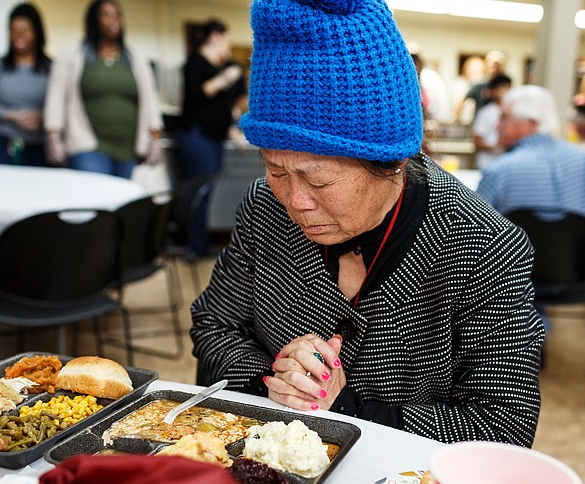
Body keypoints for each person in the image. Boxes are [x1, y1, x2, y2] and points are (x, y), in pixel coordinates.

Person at [191, 0, 543, 446]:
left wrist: (347, 409)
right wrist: (275, 381)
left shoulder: (481, 245)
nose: (296, 201)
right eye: (276, 170)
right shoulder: (264, 207)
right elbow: (213, 325)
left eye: (319, 179)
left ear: (391, 164)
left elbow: (504, 425)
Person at [44, 0, 162, 179]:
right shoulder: (73, 55)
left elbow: (149, 99)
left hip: (127, 148)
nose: (113, 20)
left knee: (119, 204)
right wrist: (54, 137)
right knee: (94, 200)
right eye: (106, 15)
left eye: (117, 15)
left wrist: (155, 138)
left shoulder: (135, 58)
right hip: (86, 144)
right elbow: (56, 97)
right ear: (93, 21)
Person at [477, 85, 585, 220]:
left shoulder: (499, 170)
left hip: (516, 242)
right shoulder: (580, 159)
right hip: (571, 242)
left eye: (504, 118)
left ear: (531, 124)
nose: (497, 125)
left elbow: (472, 225)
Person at [0, 3, 51, 166]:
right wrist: (13, 116)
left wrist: (41, 117)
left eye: (25, 30)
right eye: (14, 30)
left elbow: (61, 105)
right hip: (1, 142)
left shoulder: (51, 68)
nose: (19, 35)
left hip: (38, 146)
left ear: (37, 32)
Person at [176, 19, 246, 179]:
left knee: (210, 185)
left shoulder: (226, 65)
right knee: (199, 184)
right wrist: (224, 79)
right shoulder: (196, 62)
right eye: (226, 40)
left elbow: (238, 99)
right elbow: (195, 94)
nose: (228, 45)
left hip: (216, 136)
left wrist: (234, 124)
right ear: (215, 37)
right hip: (198, 135)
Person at [472, 74, 512, 169]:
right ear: (493, 90)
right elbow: (477, 141)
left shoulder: (513, 112)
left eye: (507, 88)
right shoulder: (486, 112)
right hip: (487, 164)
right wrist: (495, 148)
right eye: (501, 88)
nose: (504, 91)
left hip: (505, 165)